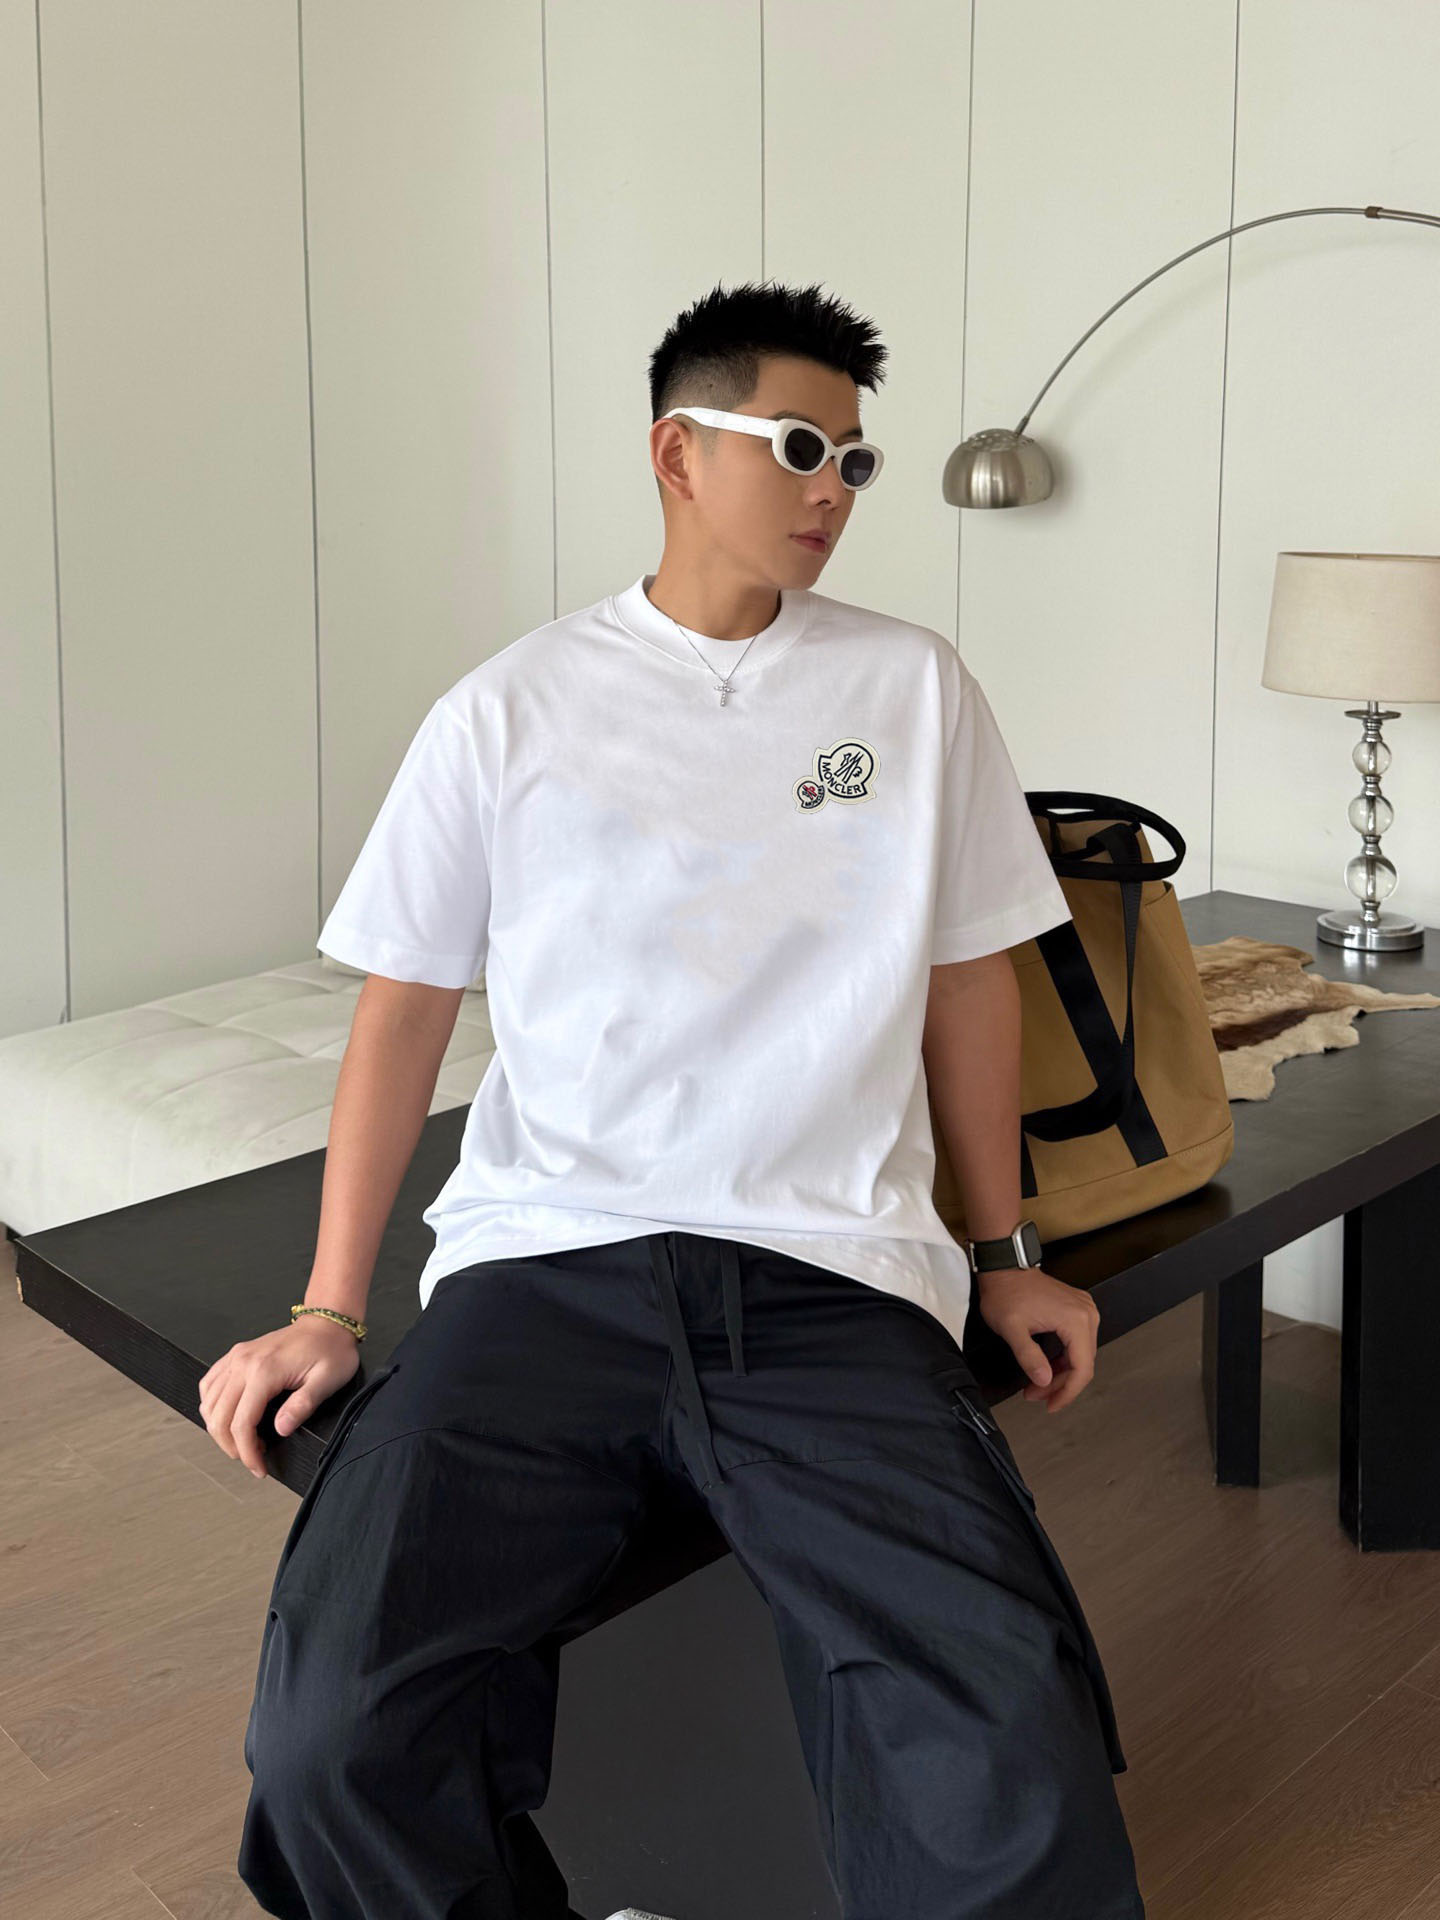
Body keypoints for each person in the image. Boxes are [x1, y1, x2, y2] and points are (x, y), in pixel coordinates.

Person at [204, 278, 1145, 1919]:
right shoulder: (508, 709)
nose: (833, 490)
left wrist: (1003, 1254)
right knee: (335, 1732)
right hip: (545, 1272)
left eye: (855, 460)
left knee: (1011, 1737)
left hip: (829, 1279)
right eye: (799, 447)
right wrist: (328, 1306)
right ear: (675, 453)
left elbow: (967, 981)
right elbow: (405, 1008)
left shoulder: (914, 691)